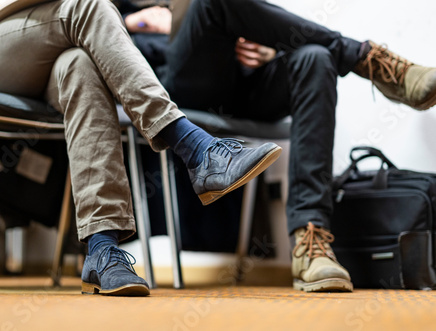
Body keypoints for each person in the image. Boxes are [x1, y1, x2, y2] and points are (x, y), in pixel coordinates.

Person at [0, 0, 282, 296]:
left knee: (82, 67)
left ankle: (102, 249)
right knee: (90, 5)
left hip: (43, 43)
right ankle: (194, 148)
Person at [113, 0, 436, 292]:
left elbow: (260, 17)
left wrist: (266, 47)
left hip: (244, 83)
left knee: (314, 56)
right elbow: (79, 27)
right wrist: (132, 20)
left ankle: (310, 241)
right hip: (173, 89)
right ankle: (372, 60)